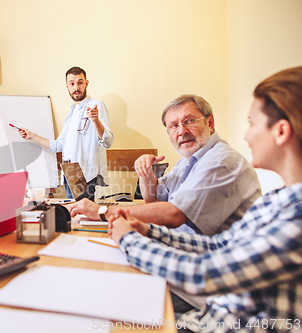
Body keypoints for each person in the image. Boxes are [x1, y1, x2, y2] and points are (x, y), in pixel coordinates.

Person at [110, 66, 302, 332]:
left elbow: (204, 273)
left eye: (252, 124)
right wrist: (146, 230)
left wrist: (128, 239)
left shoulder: (295, 215)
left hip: (217, 316)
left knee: (118, 304)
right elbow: (220, 245)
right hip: (211, 311)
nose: (246, 136)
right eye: (174, 126)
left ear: (280, 131)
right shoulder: (281, 200)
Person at [70, 94, 261, 236]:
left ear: (210, 122)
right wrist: (145, 174)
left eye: (190, 121)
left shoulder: (221, 161)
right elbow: (152, 198)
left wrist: (101, 211)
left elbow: (174, 214)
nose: (182, 131)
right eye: (174, 126)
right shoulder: (187, 162)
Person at [19, 66, 114, 201]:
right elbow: (58, 145)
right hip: (69, 172)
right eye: (72, 83)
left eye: (80, 83)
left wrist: (95, 120)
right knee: (73, 215)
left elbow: (107, 141)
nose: (76, 87)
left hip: (84, 173)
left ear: (86, 83)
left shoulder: (96, 105)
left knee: (82, 215)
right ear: (67, 86)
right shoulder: (71, 114)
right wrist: (32, 136)